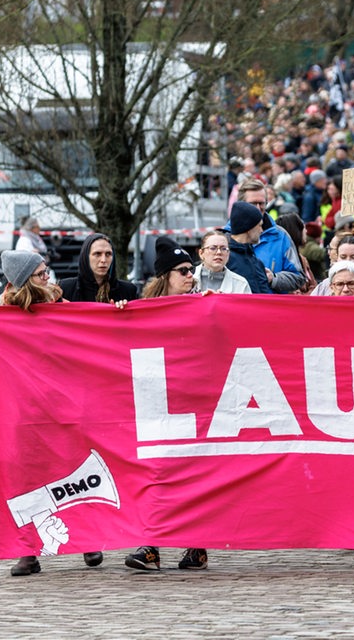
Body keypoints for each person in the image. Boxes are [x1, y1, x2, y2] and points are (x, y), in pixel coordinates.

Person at [0, 251, 105, 576]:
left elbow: (91, 334)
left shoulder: (60, 305)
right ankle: (26, 549)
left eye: (46, 271)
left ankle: (89, 538)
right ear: (24, 279)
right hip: (21, 411)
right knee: (23, 478)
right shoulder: (2, 315)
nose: (47, 278)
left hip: (61, 406)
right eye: (40, 274)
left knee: (74, 470)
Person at [125, 239, 208, 571]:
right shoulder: (141, 310)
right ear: (165, 277)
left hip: (194, 404)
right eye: (184, 271)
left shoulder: (203, 305)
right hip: (155, 405)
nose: (191, 276)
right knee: (155, 474)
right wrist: (119, 314)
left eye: (192, 270)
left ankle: (197, 545)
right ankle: (150, 546)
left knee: (192, 476)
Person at [59, 234, 139, 303]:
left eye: (108, 254)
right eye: (97, 254)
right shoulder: (66, 289)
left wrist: (124, 311)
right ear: (86, 257)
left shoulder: (128, 291)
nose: (103, 260)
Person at [224, 202, 274, 294]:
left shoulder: (257, 262)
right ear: (248, 227)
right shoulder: (225, 259)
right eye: (259, 226)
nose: (261, 230)